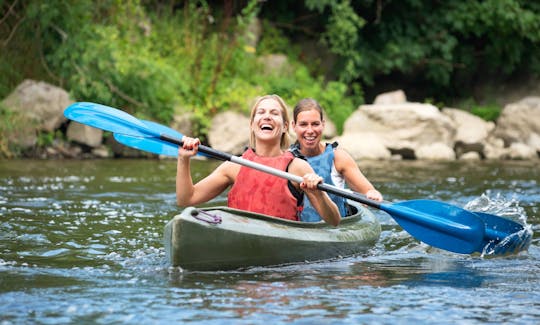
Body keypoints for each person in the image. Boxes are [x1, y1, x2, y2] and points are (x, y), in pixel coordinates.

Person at [176, 94, 341, 226]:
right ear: (252, 124)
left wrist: (318, 194)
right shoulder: (234, 167)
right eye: (261, 112)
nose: (267, 117)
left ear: (285, 126)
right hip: (240, 240)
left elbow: (334, 221)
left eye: (274, 113)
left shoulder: (297, 168)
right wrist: (184, 160)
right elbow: (186, 199)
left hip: (282, 257)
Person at [290, 98, 383, 222]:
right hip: (300, 231)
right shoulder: (287, 159)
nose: (310, 130)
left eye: (315, 124)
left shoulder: (338, 158)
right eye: (303, 124)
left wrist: (372, 194)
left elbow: (369, 192)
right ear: (293, 126)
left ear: (323, 124)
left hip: (336, 229)